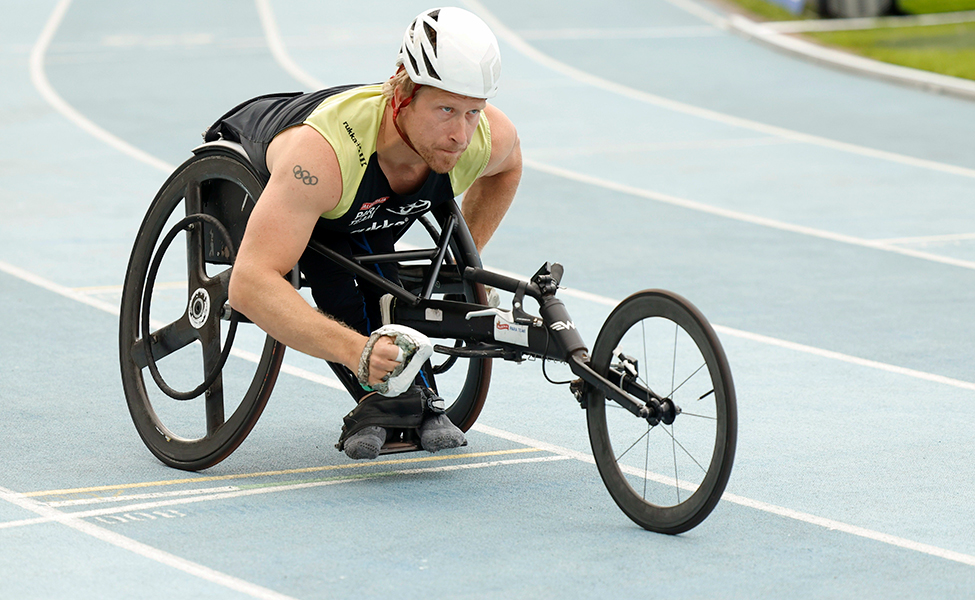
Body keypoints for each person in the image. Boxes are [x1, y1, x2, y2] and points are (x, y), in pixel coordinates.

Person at [212, 7, 522, 459]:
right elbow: (249, 284)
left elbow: (509, 167)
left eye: (473, 112)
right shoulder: (321, 156)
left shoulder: (482, 136)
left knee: (373, 257)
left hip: (371, 202)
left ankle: (406, 395)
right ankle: (386, 393)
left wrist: (459, 271)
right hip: (296, 154)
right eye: (445, 110)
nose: (460, 135)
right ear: (402, 93)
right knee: (333, 263)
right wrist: (358, 350)